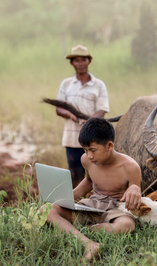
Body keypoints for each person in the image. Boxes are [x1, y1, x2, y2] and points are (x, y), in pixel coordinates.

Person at [44, 117, 142, 261]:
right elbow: (89, 181)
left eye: (93, 150)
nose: (89, 155)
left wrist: (134, 188)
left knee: (127, 225)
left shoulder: (130, 167)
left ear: (109, 146)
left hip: (115, 209)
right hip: (92, 205)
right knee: (47, 209)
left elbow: (135, 189)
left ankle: (78, 229)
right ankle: (89, 243)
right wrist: (69, 196)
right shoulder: (86, 160)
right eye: (85, 150)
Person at [55, 44, 109, 187]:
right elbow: (59, 109)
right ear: (72, 63)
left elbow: (102, 110)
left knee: (97, 174)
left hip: (94, 139)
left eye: (83, 60)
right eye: (77, 60)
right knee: (76, 175)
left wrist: (90, 121)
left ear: (89, 61)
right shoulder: (66, 84)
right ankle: (77, 203)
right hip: (72, 139)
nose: (80, 63)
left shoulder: (99, 85)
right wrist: (73, 116)